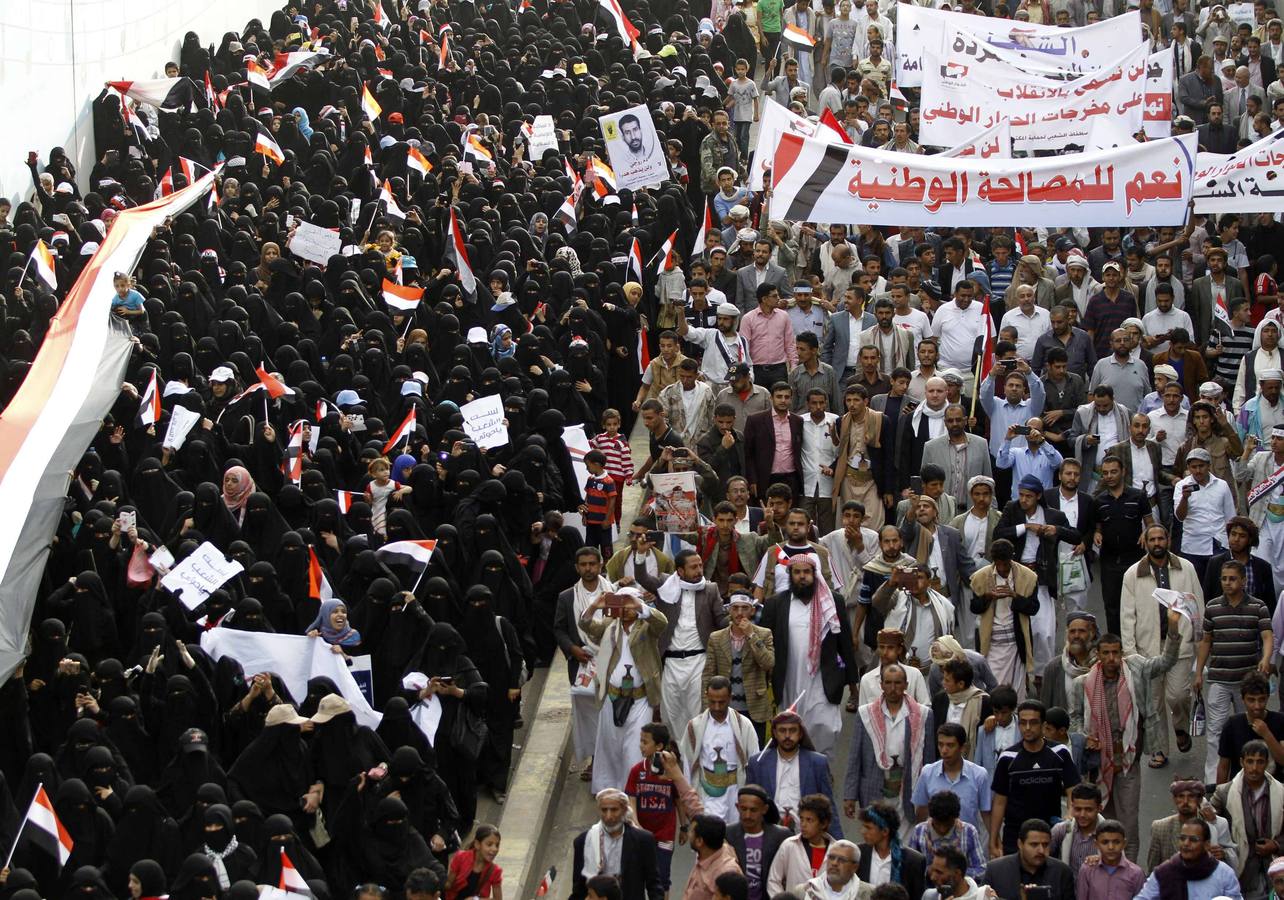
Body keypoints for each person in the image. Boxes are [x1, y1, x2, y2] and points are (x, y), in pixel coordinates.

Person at [1068, 611, 1183, 861]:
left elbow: (1164, 663)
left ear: (1121, 653)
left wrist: (1173, 629)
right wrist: (1082, 735)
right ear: (1098, 655)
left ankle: (1129, 872)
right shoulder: (1083, 684)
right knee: (1104, 823)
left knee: (1128, 824)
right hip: (1097, 764)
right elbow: (1074, 717)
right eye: (1106, 653)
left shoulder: (1136, 671)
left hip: (1128, 761)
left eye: (1116, 653)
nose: (1112, 658)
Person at [762, 554, 857, 755]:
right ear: (790, 575)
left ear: (815, 575)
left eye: (806, 572)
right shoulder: (776, 604)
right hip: (789, 678)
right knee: (790, 729)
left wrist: (852, 684)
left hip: (822, 678)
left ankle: (821, 769)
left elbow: (845, 644)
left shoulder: (832, 602)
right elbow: (765, 643)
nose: (802, 577)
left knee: (825, 726)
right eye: (797, 572)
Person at [579, 588, 669, 794]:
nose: (626, 609)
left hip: (640, 698)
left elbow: (662, 622)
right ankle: (608, 791)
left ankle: (632, 793)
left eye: (630, 604)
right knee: (610, 746)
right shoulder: (610, 625)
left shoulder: (647, 626)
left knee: (634, 747)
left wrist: (639, 606)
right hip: (611, 697)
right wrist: (595, 606)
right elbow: (585, 625)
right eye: (623, 604)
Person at [1194, 560, 1273, 785]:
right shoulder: (1212, 607)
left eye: (1232, 579)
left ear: (1244, 581)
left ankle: (1247, 776)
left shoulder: (1258, 607)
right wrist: (1198, 673)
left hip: (1246, 683)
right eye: (1224, 579)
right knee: (1215, 731)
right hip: (1219, 679)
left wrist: (1266, 660)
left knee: (1250, 729)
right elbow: (1206, 641)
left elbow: (1267, 636)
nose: (1227, 583)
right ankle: (1213, 782)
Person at [844, 663, 937, 838]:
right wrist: (850, 795)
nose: (893, 688)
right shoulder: (866, 715)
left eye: (897, 683)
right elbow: (854, 757)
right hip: (875, 789)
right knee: (878, 841)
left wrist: (929, 796)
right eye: (888, 683)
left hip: (909, 790)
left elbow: (929, 760)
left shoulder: (923, 715)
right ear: (881, 685)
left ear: (906, 685)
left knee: (904, 846)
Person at [989, 700, 1082, 857]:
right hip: (1015, 835)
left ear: (1043, 725)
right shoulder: (1007, 758)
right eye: (1023, 723)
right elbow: (999, 801)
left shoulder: (1060, 753)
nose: (1027, 728)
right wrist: (993, 839)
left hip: (1050, 832)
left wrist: (1070, 815)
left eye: (1033, 723)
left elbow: (1074, 789)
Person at [676, 677, 761, 824]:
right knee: (710, 836)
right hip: (707, 791)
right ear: (706, 696)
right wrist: (688, 799)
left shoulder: (744, 725)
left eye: (721, 702)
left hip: (736, 790)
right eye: (712, 701)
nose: (716, 707)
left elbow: (755, 761)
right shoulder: (694, 726)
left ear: (730, 697)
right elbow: (688, 765)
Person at [745, 709, 843, 835]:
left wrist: (839, 842)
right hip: (768, 832)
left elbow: (829, 805)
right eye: (782, 730)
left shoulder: (817, 763)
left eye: (792, 730)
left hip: (807, 833)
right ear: (774, 733)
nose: (787, 736)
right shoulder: (758, 763)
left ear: (801, 733)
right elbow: (748, 802)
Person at [703, 595, 775, 743]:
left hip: (755, 708)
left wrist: (751, 635)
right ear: (729, 610)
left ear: (753, 611)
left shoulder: (764, 633)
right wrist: (706, 708)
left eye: (745, 608)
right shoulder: (716, 638)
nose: (739, 613)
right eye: (735, 608)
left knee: (754, 756)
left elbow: (768, 663)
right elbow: (708, 675)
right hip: (724, 708)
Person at [570, 789, 663, 900]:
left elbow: (654, 884)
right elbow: (579, 888)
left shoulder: (643, 841)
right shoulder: (584, 842)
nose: (608, 816)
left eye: (614, 810)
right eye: (604, 810)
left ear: (624, 810)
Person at [625, 724, 680, 898]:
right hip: (641, 835)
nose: (641, 745)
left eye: (645, 742)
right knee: (638, 878)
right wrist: (636, 824)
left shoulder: (672, 772)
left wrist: (685, 826)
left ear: (659, 746)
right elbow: (631, 800)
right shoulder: (636, 771)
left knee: (662, 879)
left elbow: (679, 800)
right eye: (640, 741)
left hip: (665, 835)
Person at [911, 723, 991, 836]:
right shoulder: (927, 773)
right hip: (934, 842)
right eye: (940, 744)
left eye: (950, 745)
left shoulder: (979, 775)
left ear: (963, 747)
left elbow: (986, 813)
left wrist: (994, 842)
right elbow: (921, 811)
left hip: (966, 842)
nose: (944, 750)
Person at [1135, 819, 1244, 900]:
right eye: (1182, 838)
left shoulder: (1224, 874)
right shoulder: (1163, 872)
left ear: (1206, 845)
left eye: (1193, 840)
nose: (1186, 844)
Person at [981, 819, 1076, 900]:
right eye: (1034, 845)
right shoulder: (995, 871)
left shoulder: (1062, 872)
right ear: (1020, 844)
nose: (1041, 850)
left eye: (1045, 845)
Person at [1216, 673, 1284, 782]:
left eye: (1261, 700)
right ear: (1243, 699)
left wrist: (1267, 735)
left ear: (1268, 698)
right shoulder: (1232, 725)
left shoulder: (1280, 721)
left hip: (1274, 789)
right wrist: (1219, 795)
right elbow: (1223, 766)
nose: (1257, 706)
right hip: (1241, 789)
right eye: (1251, 700)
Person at [766, 794, 840, 894]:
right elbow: (773, 880)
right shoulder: (789, 845)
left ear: (824, 823)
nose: (803, 824)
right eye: (801, 819)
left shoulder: (837, 850)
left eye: (809, 820)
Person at [856, 801, 927, 897]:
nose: (863, 831)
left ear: (885, 831)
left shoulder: (913, 861)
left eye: (868, 828)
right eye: (863, 826)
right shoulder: (858, 853)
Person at [1074, 819, 1146, 900]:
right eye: (1105, 842)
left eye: (1116, 842)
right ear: (1096, 844)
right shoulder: (1087, 870)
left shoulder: (1136, 874)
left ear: (1124, 844)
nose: (1111, 847)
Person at [921, 846, 988, 900]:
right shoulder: (929, 896)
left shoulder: (983, 897)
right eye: (932, 870)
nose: (933, 877)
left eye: (939, 872)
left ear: (957, 873)